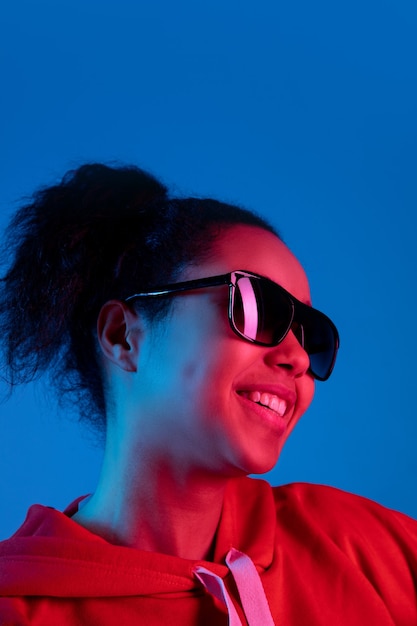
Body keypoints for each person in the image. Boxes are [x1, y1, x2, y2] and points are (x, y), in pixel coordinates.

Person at [0, 163, 415, 626]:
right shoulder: (18, 608)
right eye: (258, 308)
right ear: (122, 337)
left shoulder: (361, 547)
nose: (298, 358)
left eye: (311, 334)